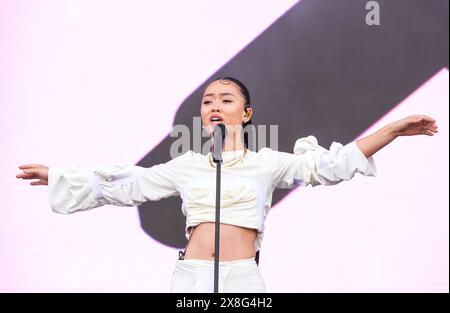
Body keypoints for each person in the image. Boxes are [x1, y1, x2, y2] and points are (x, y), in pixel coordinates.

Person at [16, 77, 438, 292]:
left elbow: (331, 165)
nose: (215, 106)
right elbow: (127, 184)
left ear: (247, 112)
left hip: (242, 278)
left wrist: (394, 130)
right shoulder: (187, 165)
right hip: (191, 274)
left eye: (226, 99)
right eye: (208, 101)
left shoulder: (267, 162)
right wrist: (57, 174)